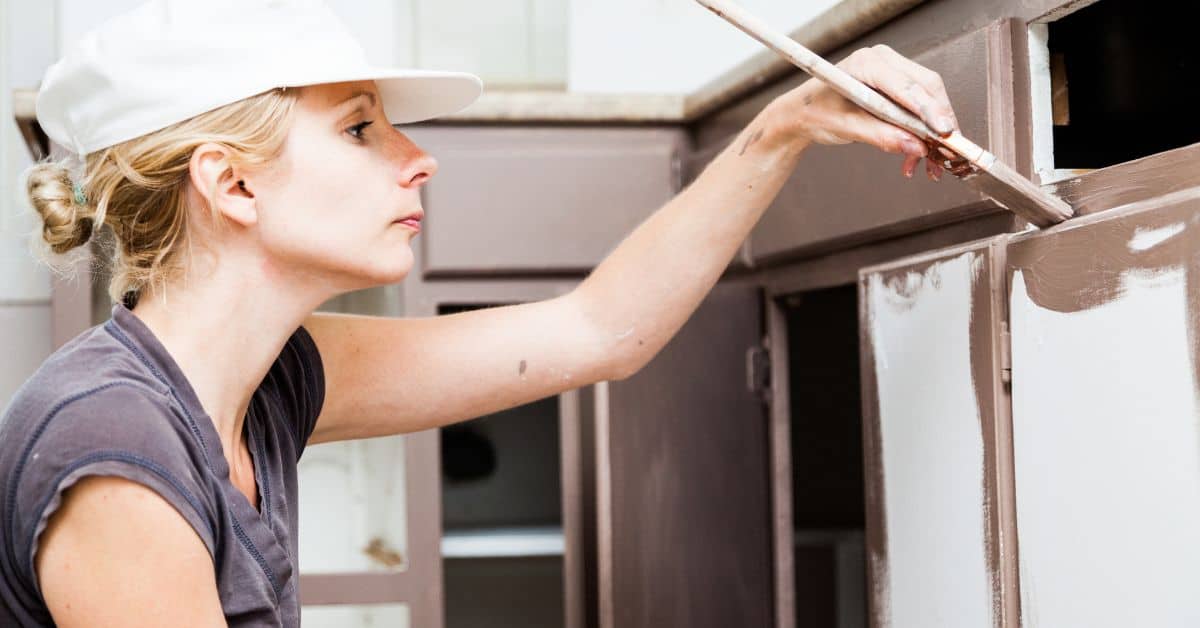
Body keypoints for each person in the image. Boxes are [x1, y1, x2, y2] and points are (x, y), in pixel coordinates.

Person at [0, 0, 959, 626]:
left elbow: (598, 332)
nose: (417, 156)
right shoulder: (114, 447)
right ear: (234, 183)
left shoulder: (268, 382)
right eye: (360, 127)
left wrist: (787, 125)